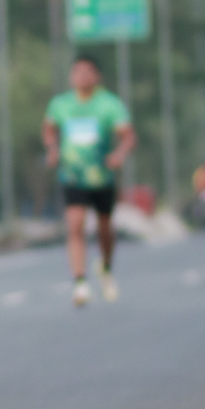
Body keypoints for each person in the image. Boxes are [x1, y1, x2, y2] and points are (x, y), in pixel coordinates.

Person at [42, 53, 136, 305]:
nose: (82, 77)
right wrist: (52, 149)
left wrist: (119, 155)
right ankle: (80, 281)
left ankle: (106, 267)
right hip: (73, 175)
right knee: (75, 225)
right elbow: (49, 129)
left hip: (101, 177)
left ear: (97, 76)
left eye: (87, 72)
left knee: (105, 227)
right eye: (77, 72)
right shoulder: (60, 104)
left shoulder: (109, 105)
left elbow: (128, 136)